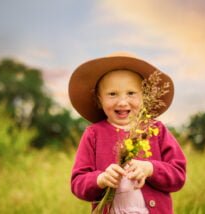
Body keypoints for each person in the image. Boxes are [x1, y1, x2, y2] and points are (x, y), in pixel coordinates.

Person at [69, 53, 186, 214]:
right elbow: (77, 183)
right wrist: (100, 179)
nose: (122, 102)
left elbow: (178, 175)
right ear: (99, 99)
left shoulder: (156, 130)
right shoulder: (93, 134)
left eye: (131, 93)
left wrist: (151, 168)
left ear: (144, 96)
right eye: (112, 94)